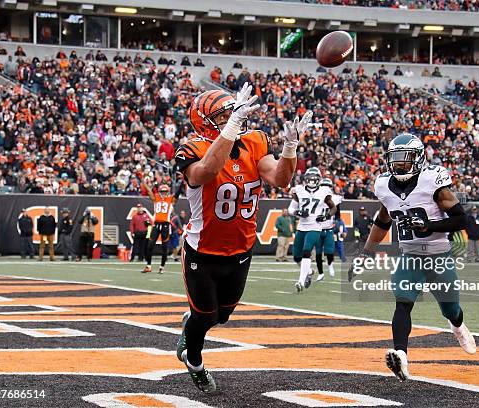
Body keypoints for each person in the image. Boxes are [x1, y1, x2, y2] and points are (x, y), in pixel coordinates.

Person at [173, 83, 312, 393]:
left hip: (241, 249)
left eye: (232, 112)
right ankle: (194, 362)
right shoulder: (192, 147)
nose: (234, 117)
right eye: (223, 115)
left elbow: (280, 179)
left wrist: (291, 146)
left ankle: (193, 325)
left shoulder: (254, 142)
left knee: (221, 317)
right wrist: (232, 127)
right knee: (204, 315)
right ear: (204, 122)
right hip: (202, 250)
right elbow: (206, 171)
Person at [349, 133, 475, 382]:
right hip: (410, 256)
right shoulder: (384, 185)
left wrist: (430, 227)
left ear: (418, 159)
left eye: (404, 160)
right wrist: (366, 253)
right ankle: (401, 356)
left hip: (439, 256)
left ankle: (458, 327)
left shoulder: (432, 182)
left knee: (451, 310)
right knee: (403, 302)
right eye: (395, 160)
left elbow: (463, 219)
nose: (398, 165)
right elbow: (383, 220)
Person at [288, 167, 336, 291]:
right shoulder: (299, 190)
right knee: (296, 257)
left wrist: (326, 216)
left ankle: (300, 281)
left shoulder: (324, 191)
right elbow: (290, 209)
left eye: (314, 179)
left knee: (307, 250)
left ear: (319, 179)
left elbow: (333, 208)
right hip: (301, 226)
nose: (312, 181)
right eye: (310, 178)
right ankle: (309, 271)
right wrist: (297, 212)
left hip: (315, 226)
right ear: (305, 179)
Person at [141, 182, 182, 274]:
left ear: (168, 192)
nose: (163, 193)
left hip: (166, 225)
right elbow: (149, 191)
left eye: (165, 191)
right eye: (162, 191)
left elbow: (178, 194)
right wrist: (144, 182)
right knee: (150, 245)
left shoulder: (171, 199)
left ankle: (162, 267)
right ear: (159, 192)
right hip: (156, 224)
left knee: (164, 247)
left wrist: (182, 182)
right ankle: (148, 265)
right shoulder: (156, 198)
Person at [314, 177, 342, 281]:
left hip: (329, 228)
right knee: (318, 252)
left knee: (330, 251)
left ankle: (330, 265)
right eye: (323, 186)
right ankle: (320, 273)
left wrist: (337, 222)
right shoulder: (315, 197)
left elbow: (338, 213)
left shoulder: (335, 198)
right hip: (318, 228)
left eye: (327, 187)